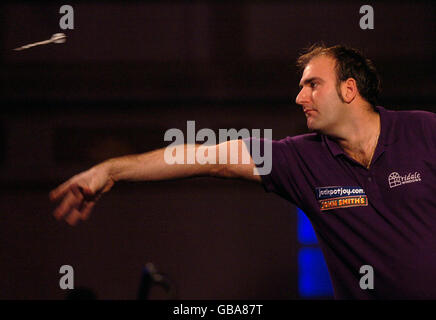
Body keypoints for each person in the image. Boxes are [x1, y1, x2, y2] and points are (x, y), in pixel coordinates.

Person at [50, 44, 436, 299]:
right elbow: (209, 156)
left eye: (313, 85)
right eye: (301, 87)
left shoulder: (425, 131)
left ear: (349, 90)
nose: (299, 97)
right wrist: (111, 171)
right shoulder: (300, 160)